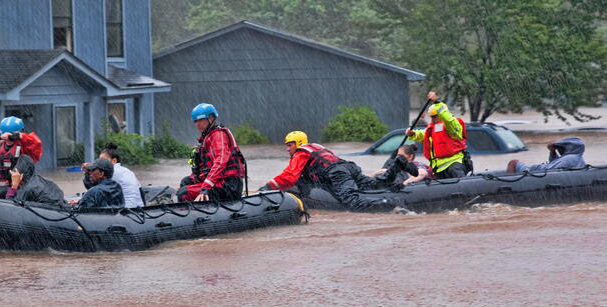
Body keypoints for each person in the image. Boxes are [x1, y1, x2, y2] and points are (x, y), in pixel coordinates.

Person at [257, 131, 418, 211]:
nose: (287, 149)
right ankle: (398, 164)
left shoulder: (301, 153)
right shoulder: (316, 147)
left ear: (298, 143)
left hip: (337, 173)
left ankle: (390, 205)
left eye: (289, 145)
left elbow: (289, 176)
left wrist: (268, 187)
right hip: (347, 166)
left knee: (352, 203)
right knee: (376, 184)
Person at [177, 103, 245, 202]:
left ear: (211, 118)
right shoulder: (206, 139)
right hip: (219, 181)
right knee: (186, 181)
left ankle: (195, 214)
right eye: (195, 121)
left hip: (229, 185)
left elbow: (220, 162)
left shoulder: (219, 136)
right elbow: (205, 168)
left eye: (200, 120)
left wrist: (206, 187)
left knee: (184, 193)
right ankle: (196, 209)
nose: (197, 124)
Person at [405, 92, 470, 179]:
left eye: (435, 116)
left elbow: (449, 120)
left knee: (456, 175)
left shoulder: (453, 124)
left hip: (455, 163)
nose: (433, 119)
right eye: (431, 117)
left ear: (442, 114)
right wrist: (413, 134)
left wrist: (437, 103)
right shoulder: (432, 128)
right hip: (438, 168)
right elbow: (423, 135)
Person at [84, 142, 144, 208]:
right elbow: (140, 190)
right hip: (139, 207)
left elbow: (93, 188)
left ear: (114, 161)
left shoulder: (112, 172)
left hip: (126, 209)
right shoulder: (127, 171)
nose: (101, 162)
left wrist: (88, 172)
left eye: (103, 160)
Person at [0, 155, 64, 205]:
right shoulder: (45, 181)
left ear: (20, 176)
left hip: (47, 217)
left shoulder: (27, 189)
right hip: (57, 211)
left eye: (14, 175)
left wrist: (14, 185)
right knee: (3, 190)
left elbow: (10, 207)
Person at [506, 137, 586, 173]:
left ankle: (508, 183)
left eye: (562, 147)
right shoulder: (577, 158)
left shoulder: (569, 158)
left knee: (514, 162)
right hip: (538, 171)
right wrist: (553, 152)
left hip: (534, 173)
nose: (560, 149)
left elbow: (550, 170)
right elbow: (555, 164)